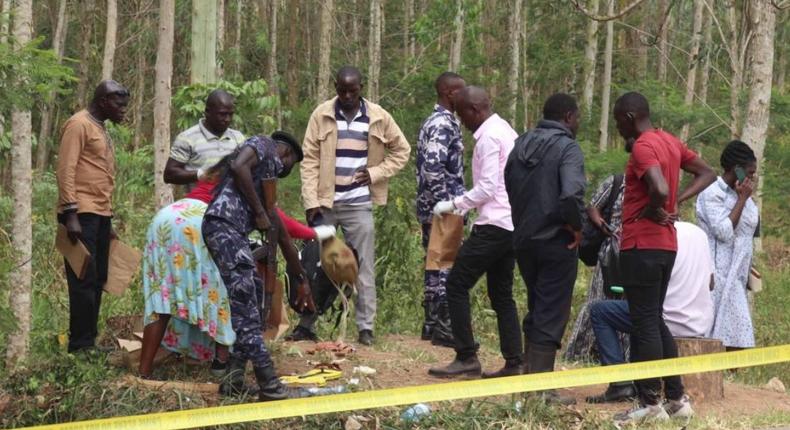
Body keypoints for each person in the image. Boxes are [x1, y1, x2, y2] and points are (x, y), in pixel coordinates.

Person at [138, 161, 335, 379]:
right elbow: (280, 223)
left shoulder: (222, 171)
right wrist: (316, 233)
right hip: (201, 221)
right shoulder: (253, 180)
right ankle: (221, 363)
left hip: (167, 217)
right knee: (224, 289)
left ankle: (143, 371)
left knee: (162, 296)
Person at [611, 91, 716, 424]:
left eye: (616, 120)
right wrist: (675, 204)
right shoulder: (671, 141)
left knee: (644, 323)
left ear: (629, 116)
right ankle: (676, 399)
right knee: (654, 320)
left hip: (641, 244)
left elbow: (657, 188)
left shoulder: (643, 146)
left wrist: (658, 206)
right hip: (666, 246)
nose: (617, 128)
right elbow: (707, 172)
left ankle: (649, 405)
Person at [293, 65, 410, 346]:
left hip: (359, 205)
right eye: (342, 90)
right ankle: (307, 324)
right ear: (335, 87)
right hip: (325, 204)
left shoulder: (379, 117)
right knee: (318, 263)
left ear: (361, 88)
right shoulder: (321, 115)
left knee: (363, 267)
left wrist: (375, 173)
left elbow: (402, 150)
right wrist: (311, 202)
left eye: (352, 90)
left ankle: (366, 328)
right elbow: (309, 160)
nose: (346, 95)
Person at [203, 132, 317, 401]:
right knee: (246, 309)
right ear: (287, 155)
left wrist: (301, 279)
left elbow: (284, 238)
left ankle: (233, 379)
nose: (286, 171)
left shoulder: (263, 186)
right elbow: (238, 165)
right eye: (291, 166)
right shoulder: (264, 144)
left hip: (232, 233)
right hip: (223, 226)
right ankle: (270, 385)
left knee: (252, 298)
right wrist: (258, 212)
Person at [428, 86, 523, 379]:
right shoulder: (506, 130)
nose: (461, 122)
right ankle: (515, 360)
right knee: (501, 293)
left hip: (494, 225)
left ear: (475, 110)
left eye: (462, 114)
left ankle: (466, 356)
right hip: (511, 224)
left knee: (455, 284)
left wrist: (455, 204)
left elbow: (488, 187)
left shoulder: (488, 138)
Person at [504, 93, 586, 404]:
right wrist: (576, 226)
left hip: (524, 240)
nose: (577, 123)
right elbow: (570, 195)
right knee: (551, 311)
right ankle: (541, 392)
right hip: (556, 240)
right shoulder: (567, 148)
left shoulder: (520, 144)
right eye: (577, 117)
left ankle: (530, 383)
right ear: (567, 117)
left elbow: (508, 185)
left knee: (538, 305)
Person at [586, 221, 715, 403]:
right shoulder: (699, 234)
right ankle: (669, 392)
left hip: (665, 321)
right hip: (700, 322)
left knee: (600, 311)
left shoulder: (656, 238)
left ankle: (619, 383)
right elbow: (711, 283)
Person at [56, 80, 130, 353]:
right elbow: (66, 168)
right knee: (83, 278)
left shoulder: (101, 127)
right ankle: (80, 345)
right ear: (103, 102)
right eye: (119, 105)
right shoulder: (79, 124)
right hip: (81, 213)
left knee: (98, 278)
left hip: (99, 213)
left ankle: (89, 340)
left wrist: (107, 219)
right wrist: (70, 212)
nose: (123, 111)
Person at [415, 72, 467, 348]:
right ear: (450, 93)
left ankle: (433, 325)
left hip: (437, 206)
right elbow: (433, 166)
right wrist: (445, 203)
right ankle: (441, 327)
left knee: (437, 263)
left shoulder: (442, 122)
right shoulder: (442, 124)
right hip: (442, 208)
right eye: (462, 91)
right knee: (445, 265)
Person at [696, 140, 759, 351]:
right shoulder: (712, 193)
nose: (752, 178)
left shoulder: (744, 195)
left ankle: (730, 376)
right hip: (717, 273)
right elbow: (723, 231)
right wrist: (741, 199)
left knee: (739, 334)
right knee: (716, 333)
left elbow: (749, 230)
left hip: (737, 275)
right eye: (749, 173)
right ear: (737, 170)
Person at [564, 172, 625, 363]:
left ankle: (620, 355)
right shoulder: (617, 181)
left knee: (625, 305)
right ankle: (583, 352)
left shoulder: (654, 185)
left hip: (636, 255)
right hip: (610, 253)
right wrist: (603, 225)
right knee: (598, 299)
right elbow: (593, 206)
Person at [164, 89, 245, 189]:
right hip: (201, 202)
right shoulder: (187, 138)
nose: (227, 119)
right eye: (222, 114)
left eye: (230, 114)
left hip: (232, 202)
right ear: (207, 112)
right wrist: (201, 175)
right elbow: (169, 175)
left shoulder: (238, 138)